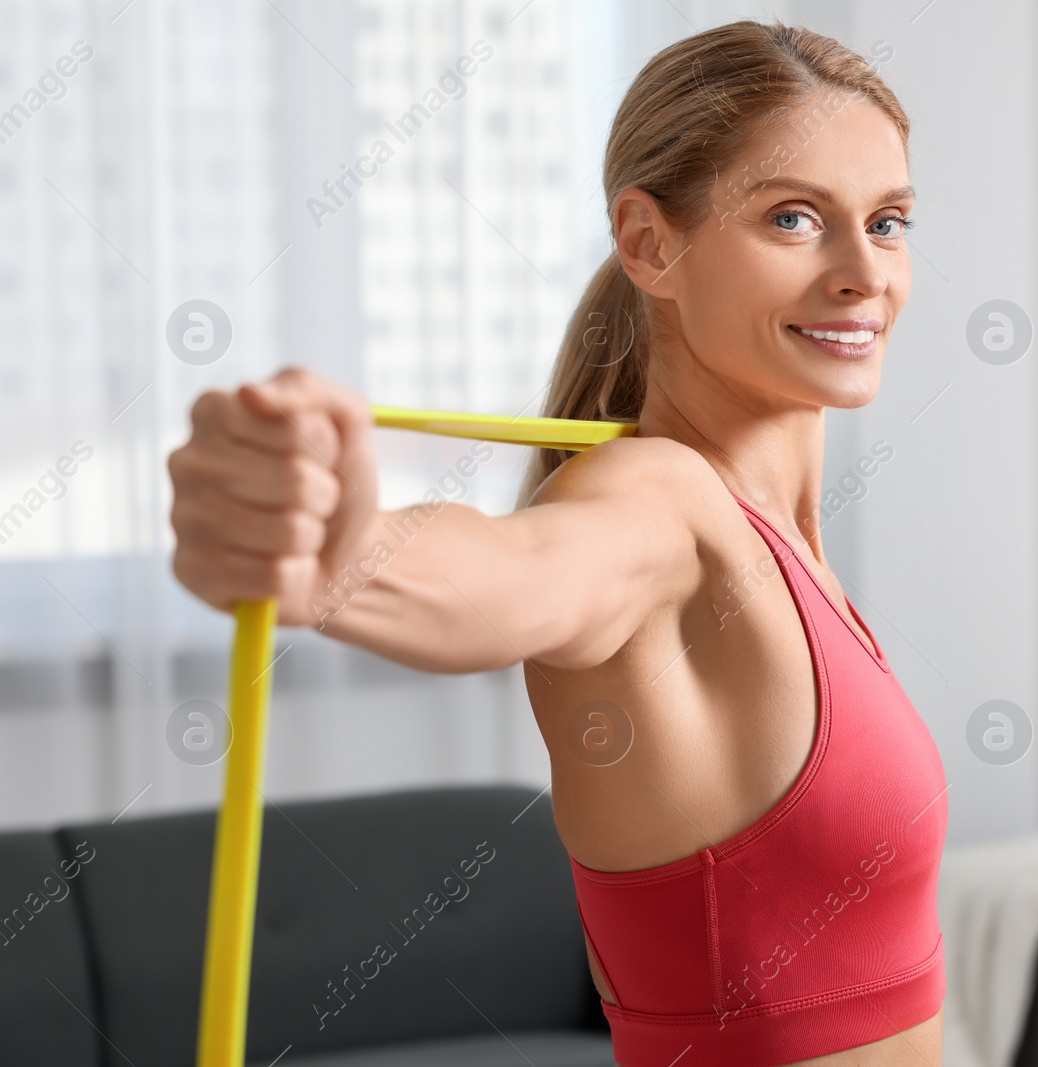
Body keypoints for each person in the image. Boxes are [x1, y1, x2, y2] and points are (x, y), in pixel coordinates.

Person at [168, 19, 947, 1067]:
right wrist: (330, 550)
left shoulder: (784, 542)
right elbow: (513, 572)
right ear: (648, 244)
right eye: (794, 218)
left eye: (888, 221)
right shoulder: (660, 505)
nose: (864, 272)